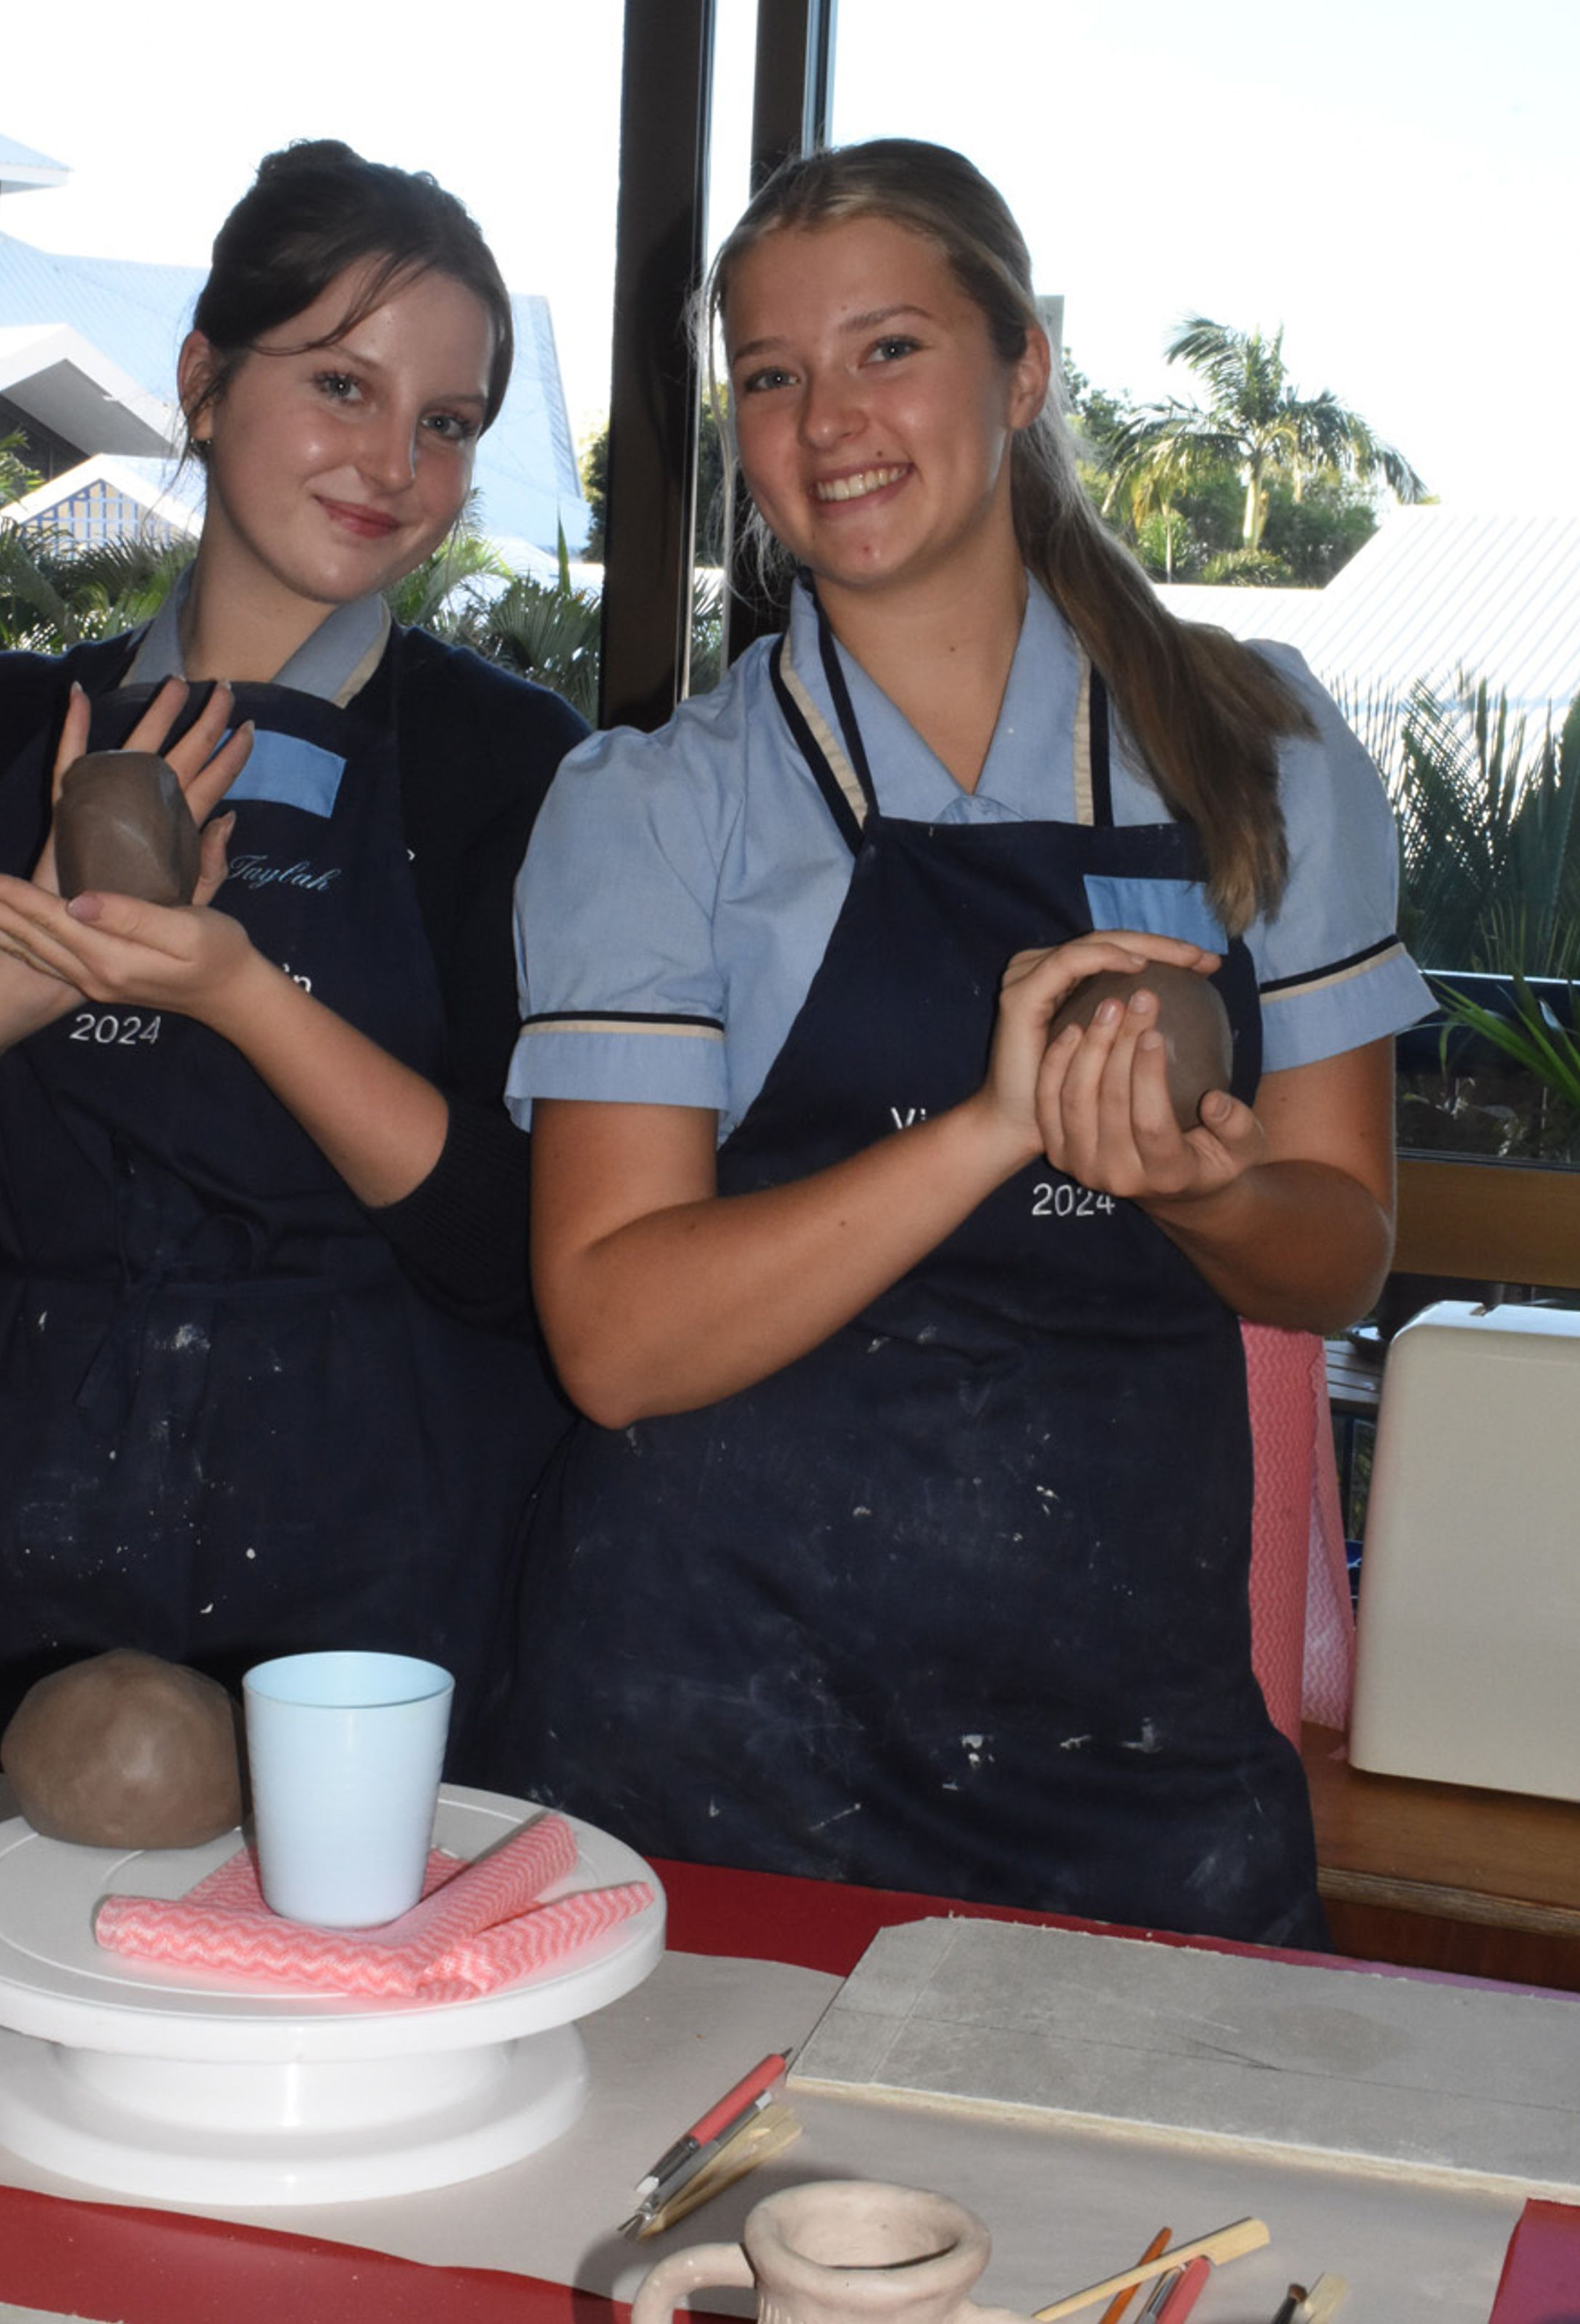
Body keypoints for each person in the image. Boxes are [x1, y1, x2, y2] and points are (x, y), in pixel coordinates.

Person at [495, 138, 1431, 1945]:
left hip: (1121, 1721)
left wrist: (1196, 1192)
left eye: (887, 349)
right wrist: (993, 1127)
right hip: (713, 1714)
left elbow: (1336, 1252)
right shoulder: (652, 807)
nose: (827, 419)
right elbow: (614, 1337)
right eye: (772, 375)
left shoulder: (1261, 753)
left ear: (1020, 371)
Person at [0, 139, 582, 1768]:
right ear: (204, 380)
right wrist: (21, 971)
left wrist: (234, 992)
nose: (395, 464)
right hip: (12, 1534)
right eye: (342, 385)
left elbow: (519, 1248)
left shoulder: (513, 767)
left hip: (383, 1556)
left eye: (447, 423)